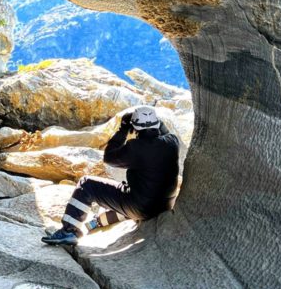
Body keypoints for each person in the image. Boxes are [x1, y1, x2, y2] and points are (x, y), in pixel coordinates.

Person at [42, 105, 180, 246]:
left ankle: (68, 231)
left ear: (136, 128)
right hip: (164, 205)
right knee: (128, 198)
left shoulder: (136, 147)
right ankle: (95, 223)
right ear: (156, 124)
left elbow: (109, 157)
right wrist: (153, 120)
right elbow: (163, 132)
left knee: (86, 184)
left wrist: (124, 128)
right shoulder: (172, 142)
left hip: (141, 207)